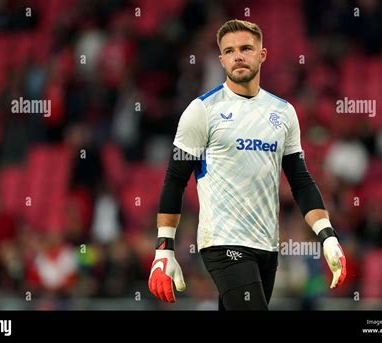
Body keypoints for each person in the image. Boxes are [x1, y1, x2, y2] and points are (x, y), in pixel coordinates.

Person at [148, 19, 347, 310]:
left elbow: (300, 180)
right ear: (221, 59)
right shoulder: (202, 111)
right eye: (229, 51)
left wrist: (327, 235)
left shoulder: (283, 113)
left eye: (245, 48)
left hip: (267, 246)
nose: (237, 56)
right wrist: (164, 249)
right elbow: (175, 180)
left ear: (262, 54)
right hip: (223, 242)